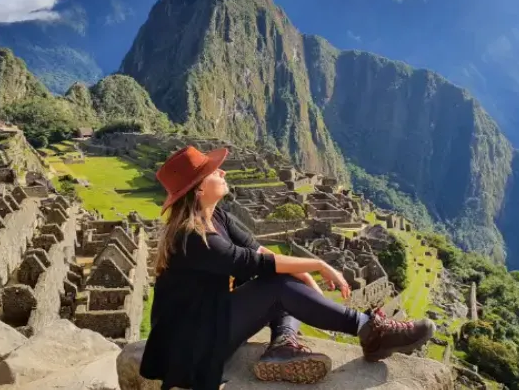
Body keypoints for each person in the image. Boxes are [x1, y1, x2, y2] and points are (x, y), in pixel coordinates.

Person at [139, 146, 435, 390]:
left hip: (211, 319)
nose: (223, 171)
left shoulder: (219, 218)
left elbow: (260, 250)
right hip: (191, 345)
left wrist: (304, 274)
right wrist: (318, 264)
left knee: (283, 277)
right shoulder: (193, 237)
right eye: (215, 171)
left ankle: (283, 344)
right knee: (277, 284)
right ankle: (368, 329)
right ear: (200, 187)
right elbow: (257, 264)